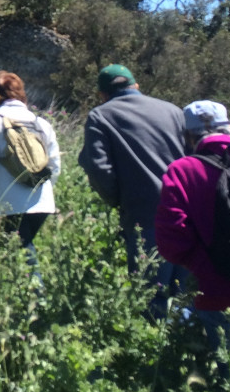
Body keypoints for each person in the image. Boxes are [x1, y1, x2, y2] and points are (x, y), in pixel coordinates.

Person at [156, 100, 230, 376]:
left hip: (218, 294)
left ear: (189, 136)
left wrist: (206, 268)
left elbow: (170, 241)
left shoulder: (182, 171)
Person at [79, 63, 185, 312]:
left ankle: (152, 348)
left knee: (150, 297)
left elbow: (98, 168)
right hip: (185, 213)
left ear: (102, 94)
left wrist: (117, 200)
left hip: (144, 216)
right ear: (136, 86)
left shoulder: (100, 116)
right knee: (187, 295)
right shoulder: (173, 111)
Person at [0, 71, 60, 262]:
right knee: (17, 248)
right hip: (42, 201)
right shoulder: (41, 123)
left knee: (22, 251)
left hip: (8, 202)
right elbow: (54, 165)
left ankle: (35, 291)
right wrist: (42, 190)